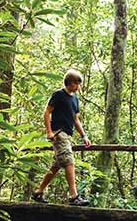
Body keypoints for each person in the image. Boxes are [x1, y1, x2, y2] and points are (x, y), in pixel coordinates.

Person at [32, 69, 92, 206]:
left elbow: (76, 120)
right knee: (69, 161)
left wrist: (84, 136)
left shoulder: (75, 99)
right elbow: (47, 112)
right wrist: (49, 131)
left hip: (68, 134)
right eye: (77, 84)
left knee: (57, 165)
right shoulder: (58, 95)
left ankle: (38, 192)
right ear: (70, 83)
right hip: (59, 133)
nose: (78, 87)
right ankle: (73, 196)